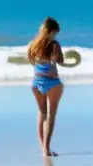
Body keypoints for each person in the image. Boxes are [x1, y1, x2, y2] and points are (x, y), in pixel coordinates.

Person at [26, 17, 65, 157]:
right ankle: (47, 149)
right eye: (55, 33)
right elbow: (60, 61)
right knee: (51, 116)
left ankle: (43, 148)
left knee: (42, 113)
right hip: (52, 82)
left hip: (36, 83)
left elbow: (30, 61)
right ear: (52, 31)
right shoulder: (54, 44)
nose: (56, 35)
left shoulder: (33, 44)